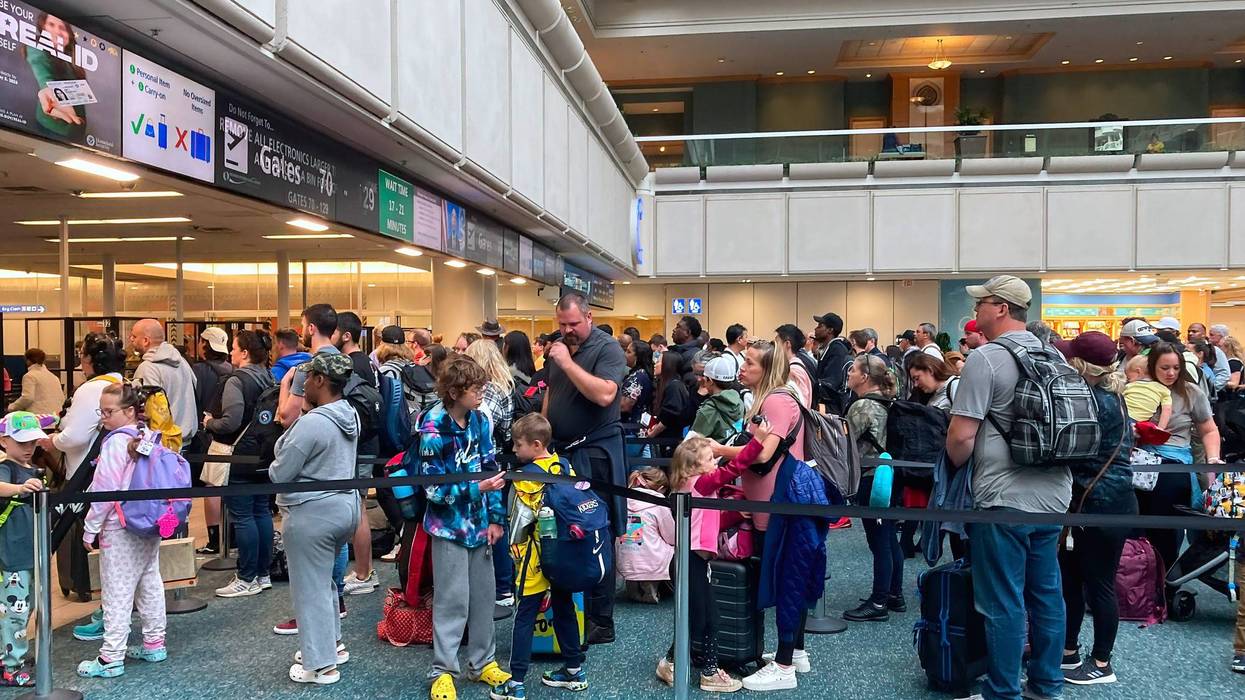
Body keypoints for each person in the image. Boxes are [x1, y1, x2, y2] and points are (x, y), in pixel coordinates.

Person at [945, 275, 1068, 700]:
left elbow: (962, 437)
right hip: (1054, 495)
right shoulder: (1053, 354)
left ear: (1001, 308)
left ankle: (1002, 691)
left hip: (1001, 496)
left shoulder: (987, 359)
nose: (976, 312)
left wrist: (952, 468)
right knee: (1046, 594)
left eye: (982, 304)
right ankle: (1047, 683)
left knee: (1002, 601)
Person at [709, 340, 819, 691]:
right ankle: (794, 652)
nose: (742, 368)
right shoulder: (778, 398)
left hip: (778, 504)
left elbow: (761, 453)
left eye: (750, 363)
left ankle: (785, 664)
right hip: (775, 502)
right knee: (792, 575)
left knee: (787, 578)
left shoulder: (775, 400)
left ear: (767, 369)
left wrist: (718, 449)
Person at [418, 356, 511, 698]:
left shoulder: (480, 421)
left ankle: (482, 662)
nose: (482, 394)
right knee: (452, 600)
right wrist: (478, 490)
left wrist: (497, 518)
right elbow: (432, 490)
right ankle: (443, 669)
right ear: (456, 391)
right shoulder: (432, 427)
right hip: (448, 529)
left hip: (479, 525)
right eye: (476, 389)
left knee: (484, 599)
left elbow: (491, 468)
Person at [1051, 332, 1138, 686]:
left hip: (1097, 502)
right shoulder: (1114, 397)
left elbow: (1071, 450)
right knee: (1074, 579)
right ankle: (1069, 652)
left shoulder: (1090, 400)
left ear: (1081, 365)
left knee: (1096, 583)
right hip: (1107, 500)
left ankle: (1102, 662)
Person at [657, 433, 775, 693]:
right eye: (710, 460)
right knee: (702, 619)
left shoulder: (689, 485)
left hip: (695, 562)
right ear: (694, 467)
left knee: (706, 618)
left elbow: (708, 523)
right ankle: (686, 665)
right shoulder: (701, 485)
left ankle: (694, 667)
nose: (715, 463)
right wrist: (759, 440)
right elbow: (734, 467)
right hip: (692, 563)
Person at [269, 354, 361, 686]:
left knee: (310, 589)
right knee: (326, 585)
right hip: (344, 508)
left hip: (312, 513)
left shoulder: (312, 423)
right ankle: (330, 647)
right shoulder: (349, 414)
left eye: (307, 379)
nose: (303, 384)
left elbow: (280, 471)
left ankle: (320, 665)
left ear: (321, 381)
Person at [543, 293, 629, 645]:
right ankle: (570, 609)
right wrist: (542, 434)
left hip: (595, 454)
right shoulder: (560, 347)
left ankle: (600, 618)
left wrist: (566, 362)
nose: (567, 330)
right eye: (562, 325)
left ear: (589, 317)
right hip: (560, 454)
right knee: (562, 530)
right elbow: (551, 393)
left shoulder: (607, 349)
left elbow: (605, 395)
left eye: (573, 324)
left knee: (597, 532)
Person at [492, 413, 588, 699]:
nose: (514, 450)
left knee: (525, 616)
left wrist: (515, 555)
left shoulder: (522, 478)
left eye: (518, 445)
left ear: (535, 444)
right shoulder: (565, 466)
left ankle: (516, 682)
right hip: (564, 553)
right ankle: (574, 671)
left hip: (534, 557)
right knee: (564, 609)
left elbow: (518, 522)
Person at [77, 383, 168, 679]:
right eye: (101, 411)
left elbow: (105, 489)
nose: (103, 417)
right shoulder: (148, 436)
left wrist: (90, 528)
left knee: (117, 590)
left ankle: (111, 657)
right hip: (149, 522)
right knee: (149, 582)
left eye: (109, 411)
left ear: (129, 411)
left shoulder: (115, 443)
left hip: (120, 525)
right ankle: (155, 643)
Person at [44, 333, 126, 615]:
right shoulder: (124, 385)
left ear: (90, 360)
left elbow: (76, 436)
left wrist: (51, 441)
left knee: (90, 536)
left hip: (87, 475)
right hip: (119, 475)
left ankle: (100, 603)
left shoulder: (92, 390)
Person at [1135, 342, 1222, 569]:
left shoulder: (1191, 392)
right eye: (1164, 368)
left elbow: (1209, 429)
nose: (1171, 373)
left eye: (1176, 367)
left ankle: (1165, 584)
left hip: (1174, 467)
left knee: (1167, 534)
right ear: (1152, 366)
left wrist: (1213, 460)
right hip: (1138, 466)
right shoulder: (1138, 389)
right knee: (1138, 530)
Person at [208, 330, 278, 599]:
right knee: (261, 511)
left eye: (235, 348)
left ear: (245, 353)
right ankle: (263, 573)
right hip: (264, 453)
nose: (231, 353)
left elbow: (231, 420)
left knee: (243, 515)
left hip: (238, 455)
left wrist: (209, 423)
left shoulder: (236, 381)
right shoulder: (270, 378)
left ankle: (247, 576)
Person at [841, 355, 904, 622]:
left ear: (865, 376)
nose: (849, 374)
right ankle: (893, 593)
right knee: (889, 539)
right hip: (890, 474)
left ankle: (878, 602)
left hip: (871, 477)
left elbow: (844, 442)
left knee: (879, 541)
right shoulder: (889, 402)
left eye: (853, 370)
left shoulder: (862, 406)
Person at [0, 411, 54, 688]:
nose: (28, 447)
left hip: (32, 554)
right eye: (21, 441)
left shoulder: (33, 470)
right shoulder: (7, 469)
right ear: (3, 441)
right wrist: (20, 488)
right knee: (15, 612)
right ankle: (10, 666)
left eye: (32, 441)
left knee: (28, 607)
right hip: (12, 557)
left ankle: (11, 653)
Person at [464, 339, 517, 606]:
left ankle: (500, 587)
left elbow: (482, 429)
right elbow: (506, 429)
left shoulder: (485, 394)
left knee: (491, 525)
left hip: (484, 465)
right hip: (500, 461)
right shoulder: (505, 387)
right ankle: (504, 585)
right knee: (500, 522)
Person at [193, 327, 235, 556]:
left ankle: (214, 538)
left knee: (212, 485)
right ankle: (230, 535)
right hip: (231, 436)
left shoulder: (198, 371)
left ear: (204, 345)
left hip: (208, 434)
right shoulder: (233, 370)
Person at [128, 319, 198, 445]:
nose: (131, 339)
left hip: (161, 444)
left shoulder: (147, 368)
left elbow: (147, 410)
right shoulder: (182, 362)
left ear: (145, 341)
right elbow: (195, 387)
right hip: (186, 441)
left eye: (134, 336)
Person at [617, 468, 673, 605]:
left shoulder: (622, 498)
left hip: (624, 561)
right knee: (674, 546)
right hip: (652, 561)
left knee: (632, 542)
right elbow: (671, 536)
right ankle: (651, 584)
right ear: (661, 488)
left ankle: (634, 585)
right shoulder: (659, 502)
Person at [688, 355, 744, 443]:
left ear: (710, 381)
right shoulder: (739, 402)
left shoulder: (708, 410)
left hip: (712, 455)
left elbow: (692, 445)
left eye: (704, 378)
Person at [811, 312, 852, 415]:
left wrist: (812, 386)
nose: (816, 329)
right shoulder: (830, 348)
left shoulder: (837, 350)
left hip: (831, 409)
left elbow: (832, 383)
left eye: (820, 326)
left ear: (830, 330)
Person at [646, 350, 691, 440]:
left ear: (667, 365)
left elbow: (670, 415)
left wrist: (653, 433)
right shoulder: (664, 384)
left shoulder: (675, 386)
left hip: (669, 440)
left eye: (658, 361)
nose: (655, 364)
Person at [7, 349, 64, 415]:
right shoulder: (54, 377)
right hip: (55, 417)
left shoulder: (29, 376)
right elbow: (62, 399)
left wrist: (11, 407)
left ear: (28, 361)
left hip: (38, 419)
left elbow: (27, 398)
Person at [1123, 355, 1172, 430]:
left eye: (1129, 377)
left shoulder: (1130, 385)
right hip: (1140, 423)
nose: (1127, 380)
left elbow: (1119, 399)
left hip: (1122, 416)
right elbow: (1167, 409)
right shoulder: (1163, 389)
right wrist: (1160, 428)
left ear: (1138, 371)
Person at [774, 324, 816, 409]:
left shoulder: (793, 370)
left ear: (787, 344)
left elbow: (800, 404)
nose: (774, 348)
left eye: (777, 343)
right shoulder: (795, 365)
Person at [619, 334, 655, 427]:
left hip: (632, 426)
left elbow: (625, 406)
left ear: (638, 357)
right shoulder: (639, 373)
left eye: (628, 352)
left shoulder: (638, 376)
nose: (625, 354)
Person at [1188, 323, 1230, 391]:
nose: (1190, 333)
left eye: (1194, 331)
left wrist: (1210, 390)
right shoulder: (1185, 348)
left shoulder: (1214, 350)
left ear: (1203, 334)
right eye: (1189, 331)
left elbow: (1224, 374)